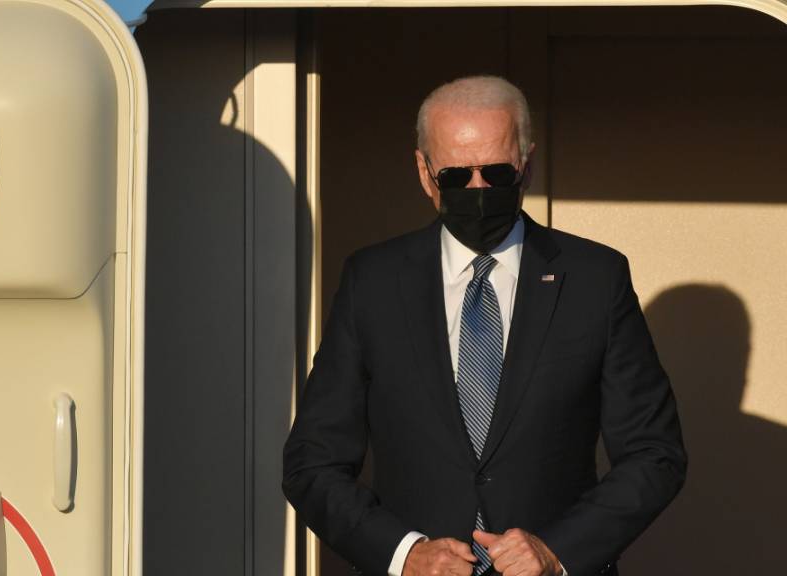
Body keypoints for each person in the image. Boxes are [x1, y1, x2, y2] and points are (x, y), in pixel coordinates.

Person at [282, 76, 686, 576]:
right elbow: (312, 462)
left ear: (526, 166)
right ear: (425, 173)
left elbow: (654, 453)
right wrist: (405, 554)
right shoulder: (374, 282)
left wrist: (557, 550)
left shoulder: (594, 279)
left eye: (496, 173)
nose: (477, 190)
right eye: (455, 176)